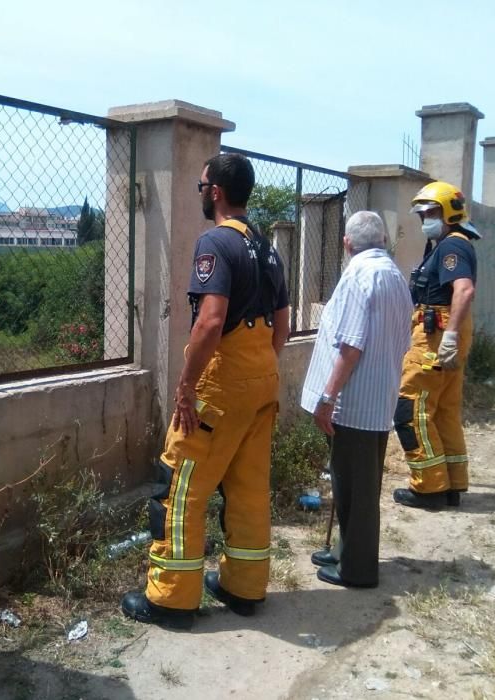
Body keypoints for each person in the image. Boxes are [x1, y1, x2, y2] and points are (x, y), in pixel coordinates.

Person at [121, 153, 290, 627]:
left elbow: (211, 321)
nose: (199, 193)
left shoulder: (215, 242)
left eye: (200, 186)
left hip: (221, 386)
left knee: (179, 489)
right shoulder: (268, 248)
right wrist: (259, 366)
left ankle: (171, 599)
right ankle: (245, 588)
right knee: (249, 488)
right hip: (262, 382)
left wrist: (186, 386)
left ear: (214, 190)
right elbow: (283, 325)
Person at [300, 211, 412, 588]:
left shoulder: (360, 276)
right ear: (382, 240)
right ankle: (343, 551)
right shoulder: (394, 275)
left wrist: (327, 397)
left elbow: (350, 347)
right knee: (351, 482)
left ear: (347, 244)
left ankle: (358, 569)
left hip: (355, 403)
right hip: (376, 399)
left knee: (357, 489)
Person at [393, 181, 480, 509]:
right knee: (444, 410)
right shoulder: (449, 243)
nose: (424, 219)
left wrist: (452, 335)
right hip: (444, 332)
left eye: (430, 212)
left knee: (411, 409)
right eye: (422, 214)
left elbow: (464, 290)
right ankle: (452, 485)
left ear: (449, 212)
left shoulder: (452, 246)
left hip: (436, 336)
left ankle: (428, 488)